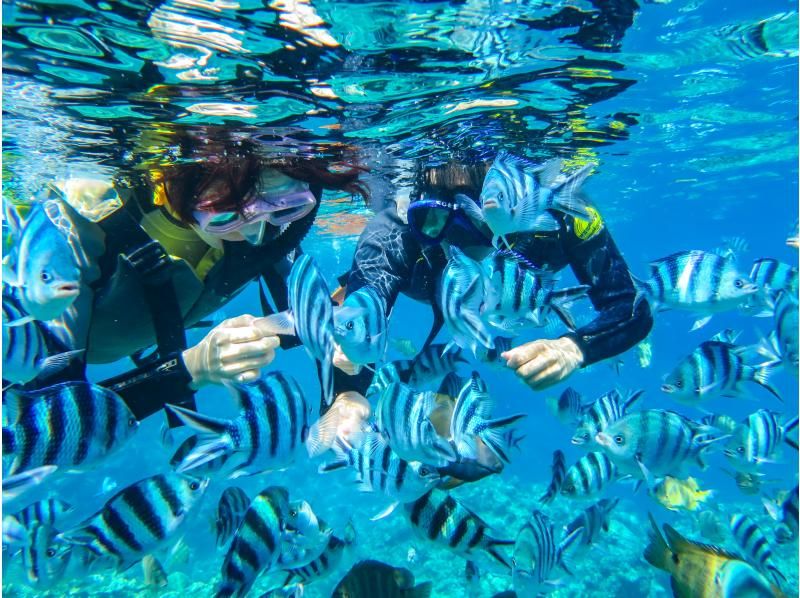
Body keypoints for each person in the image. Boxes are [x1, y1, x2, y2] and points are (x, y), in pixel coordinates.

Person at [13, 128, 368, 425]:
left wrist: (345, 391)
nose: (256, 234)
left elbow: (309, 319)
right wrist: (192, 369)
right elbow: (41, 422)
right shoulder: (81, 229)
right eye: (227, 217)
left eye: (288, 207)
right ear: (173, 183)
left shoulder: (273, 231)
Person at [334, 159, 653, 392]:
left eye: (488, 221)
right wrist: (348, 394)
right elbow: (359, 320)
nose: (471, 243)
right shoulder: (394, 233)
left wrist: (574, 348)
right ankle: (341, 285)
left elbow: (629, 305)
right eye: (439, 220)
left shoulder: (561, 211)